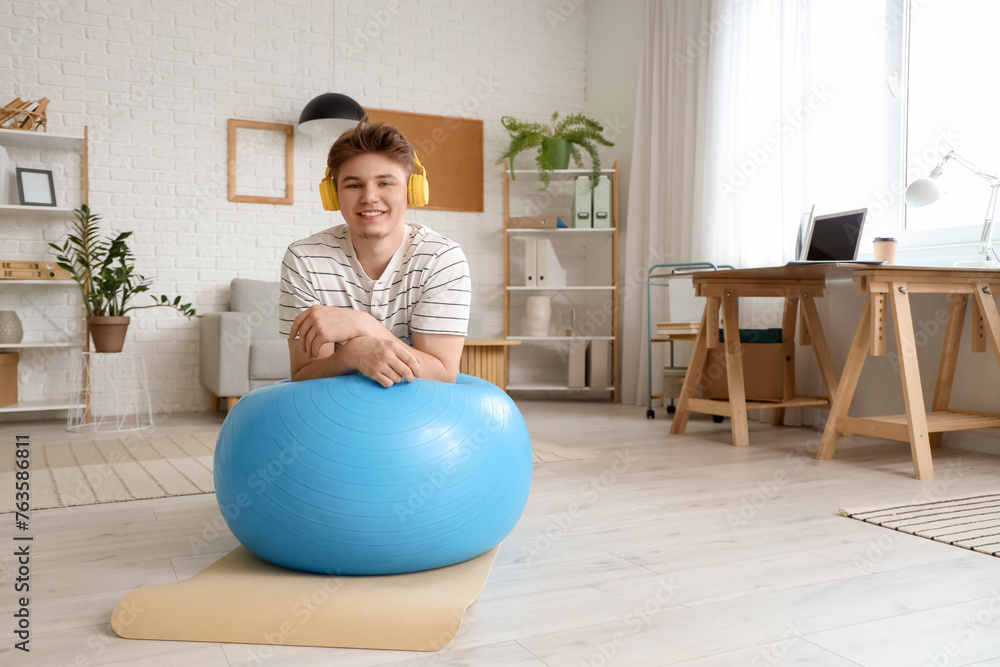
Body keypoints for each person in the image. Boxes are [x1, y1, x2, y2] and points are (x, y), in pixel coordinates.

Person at [279, 121, 471, 387]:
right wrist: (353, 355)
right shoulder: (304, 259)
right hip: (334, 413)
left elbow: (442, 374)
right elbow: (304, 374)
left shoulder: (441, 258)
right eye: (353, 185)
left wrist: (363, 326)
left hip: (420, 415)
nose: (369, 197)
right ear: (333, 196)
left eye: (385, 183)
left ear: (411, 191)